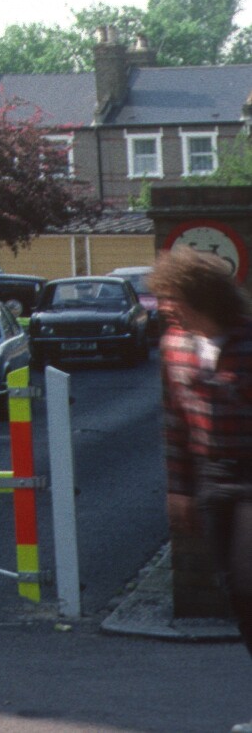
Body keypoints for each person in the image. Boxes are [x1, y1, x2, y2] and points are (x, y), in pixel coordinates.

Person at [155, 247, 252, 673]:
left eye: (171, 296)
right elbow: (174, 422)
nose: (163, 306)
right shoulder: (174, 346)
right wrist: (179, 489)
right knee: (235, 594)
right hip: (211, 478)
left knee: (249, 583)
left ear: (201, 296)